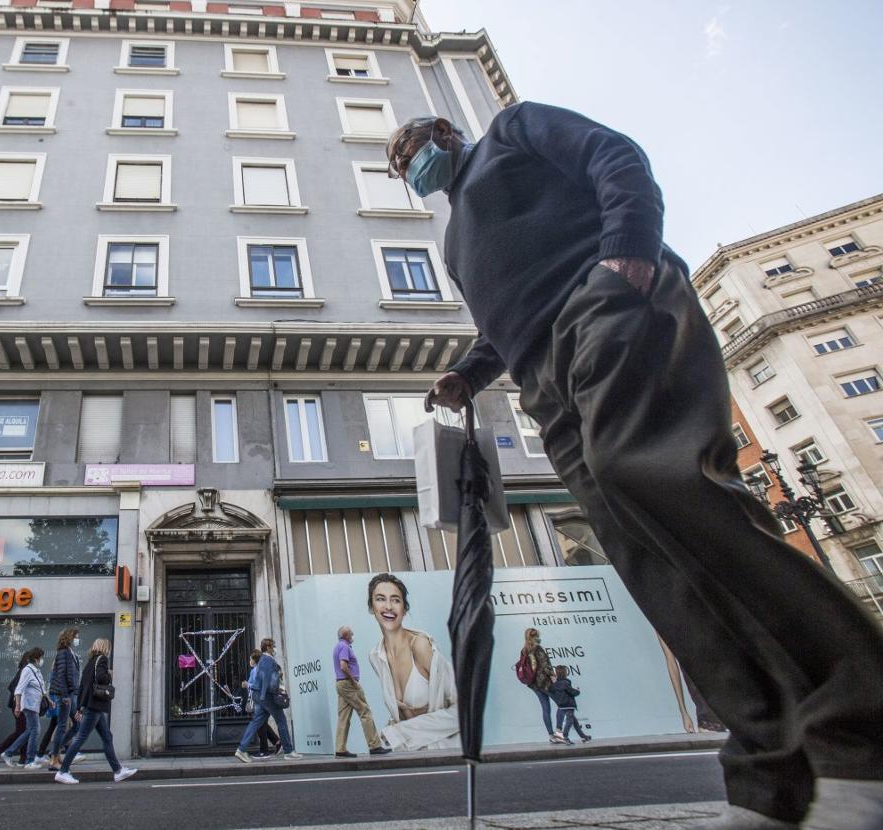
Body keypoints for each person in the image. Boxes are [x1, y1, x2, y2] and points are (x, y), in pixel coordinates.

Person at [395, 103, 883, 829]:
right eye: (398, 166)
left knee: (659, 479)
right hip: (546, 382)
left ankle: (860, 737)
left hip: (608, 308)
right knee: (648, 560)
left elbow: (615, 157)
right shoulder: (456, 241)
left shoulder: (513, 131)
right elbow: (501, 323)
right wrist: (467, 374)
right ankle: (769, 777)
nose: (408, 165)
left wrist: (627, 255)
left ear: (444, 135)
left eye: (409, 147)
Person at [366, 574, 457, 750]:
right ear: (372, 607)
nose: (388, 607)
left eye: (396, 600)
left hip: (444, 752)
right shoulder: (376, 656)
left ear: (404, 608)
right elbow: (402, 716)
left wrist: (398, 732)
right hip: (409, 756)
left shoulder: (421, 646)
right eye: (380, 599)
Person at [53, 639, 136, 784]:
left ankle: (118, 771)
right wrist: (110, 674)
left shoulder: (90, 663)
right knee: (80, 739)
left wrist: (79, 707)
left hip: (92, 706)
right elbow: (101, 678)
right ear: (105, 648)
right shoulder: (102, 659)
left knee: (107, 737)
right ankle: (63, 771)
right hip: (95, 706)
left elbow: (83, 687)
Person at [234, 638, 301, 764]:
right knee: (281, 721)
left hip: (260, 695)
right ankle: (288, 751)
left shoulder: (263, 660)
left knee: (256, 722)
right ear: (268, 647)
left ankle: (241, 749)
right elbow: (266, 679)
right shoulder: (267, 659)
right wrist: (269, 693)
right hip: (266, 696)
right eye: (273, 646)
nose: (275, 648)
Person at [333, 626, 389, 758]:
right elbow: (343, 665)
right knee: (365, 712)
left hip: (340, 684)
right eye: (351, 634)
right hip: (348, 683)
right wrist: (354, 681)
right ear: (346, 635)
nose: (353, 636)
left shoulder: (337, 646)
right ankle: (374, 746)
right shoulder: (345, 647)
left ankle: (340, 749)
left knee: (343, 717)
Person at [42, 626, 81, 769]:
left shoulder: (70, 653)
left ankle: (55, 752)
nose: (77, 639)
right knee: (62, 726)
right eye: (76, 636)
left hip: (71, 694)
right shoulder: (63, 652)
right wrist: (65, 695)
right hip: (66, 695)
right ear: (70, 637)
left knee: (77, 724)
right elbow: (62, 675)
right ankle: (54, 759)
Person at [1, 646, 46, 769]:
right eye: (41, 658)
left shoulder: (36, 671)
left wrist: (50, 701)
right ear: (36, 658)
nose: (42, 660)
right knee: (35, 730)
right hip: (29, 706)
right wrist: (17, 706)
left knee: (29, 731)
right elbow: (18, 689)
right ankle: (29, 760)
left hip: (34, 705)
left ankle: (8, 753)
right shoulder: (27, 670)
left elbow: (42, 689)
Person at [520, 628, 566, 745]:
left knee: (546, 709)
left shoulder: (524, 650)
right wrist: (553, 677)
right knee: (563, 704)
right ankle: (558, 732)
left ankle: (551, 735)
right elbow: (546, 666)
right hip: (545, 682)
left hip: (534, 684)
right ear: (537, 636)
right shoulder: (538, 649)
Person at [0, 650, 34, 765]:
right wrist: (18, 705)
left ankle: (23, 757)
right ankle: (0, 750)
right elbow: (14, 688)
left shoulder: (25, 671)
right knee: (22, 731)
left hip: (21, 705)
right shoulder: (24, 671)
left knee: (24, 730)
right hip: (18, 705)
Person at [242, 649, 279, 758]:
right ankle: (276, 742)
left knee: (260, 725)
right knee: (262, 724)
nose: (249, 661)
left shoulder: (256, 670)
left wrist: (247, 685)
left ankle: (264, 750)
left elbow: (256, 686)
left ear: (254, 660)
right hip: (262, 699)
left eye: (250, 659)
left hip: (258, 700)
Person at [550, 666, 590, 745]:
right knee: (570, 721)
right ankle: (565, 736)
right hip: (569, 705)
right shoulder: (566, 683)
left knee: (574, 722)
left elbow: (552, 692)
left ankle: (583, 736)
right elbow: (572, 692)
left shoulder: (555, 685)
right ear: (565, 673)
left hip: (562, 706)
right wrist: (577, 691)